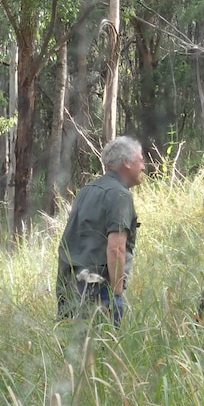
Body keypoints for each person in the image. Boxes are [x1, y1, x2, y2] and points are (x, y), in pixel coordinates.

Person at [56, 135, 145, 326]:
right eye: (140, 160)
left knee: (74, 348)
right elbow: (116, 248)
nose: (144, 167)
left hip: (68, 284)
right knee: (102, 351)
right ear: (127, 163)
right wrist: (117, 295)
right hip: (97, 290)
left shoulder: (87, 190)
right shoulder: (119, 195)